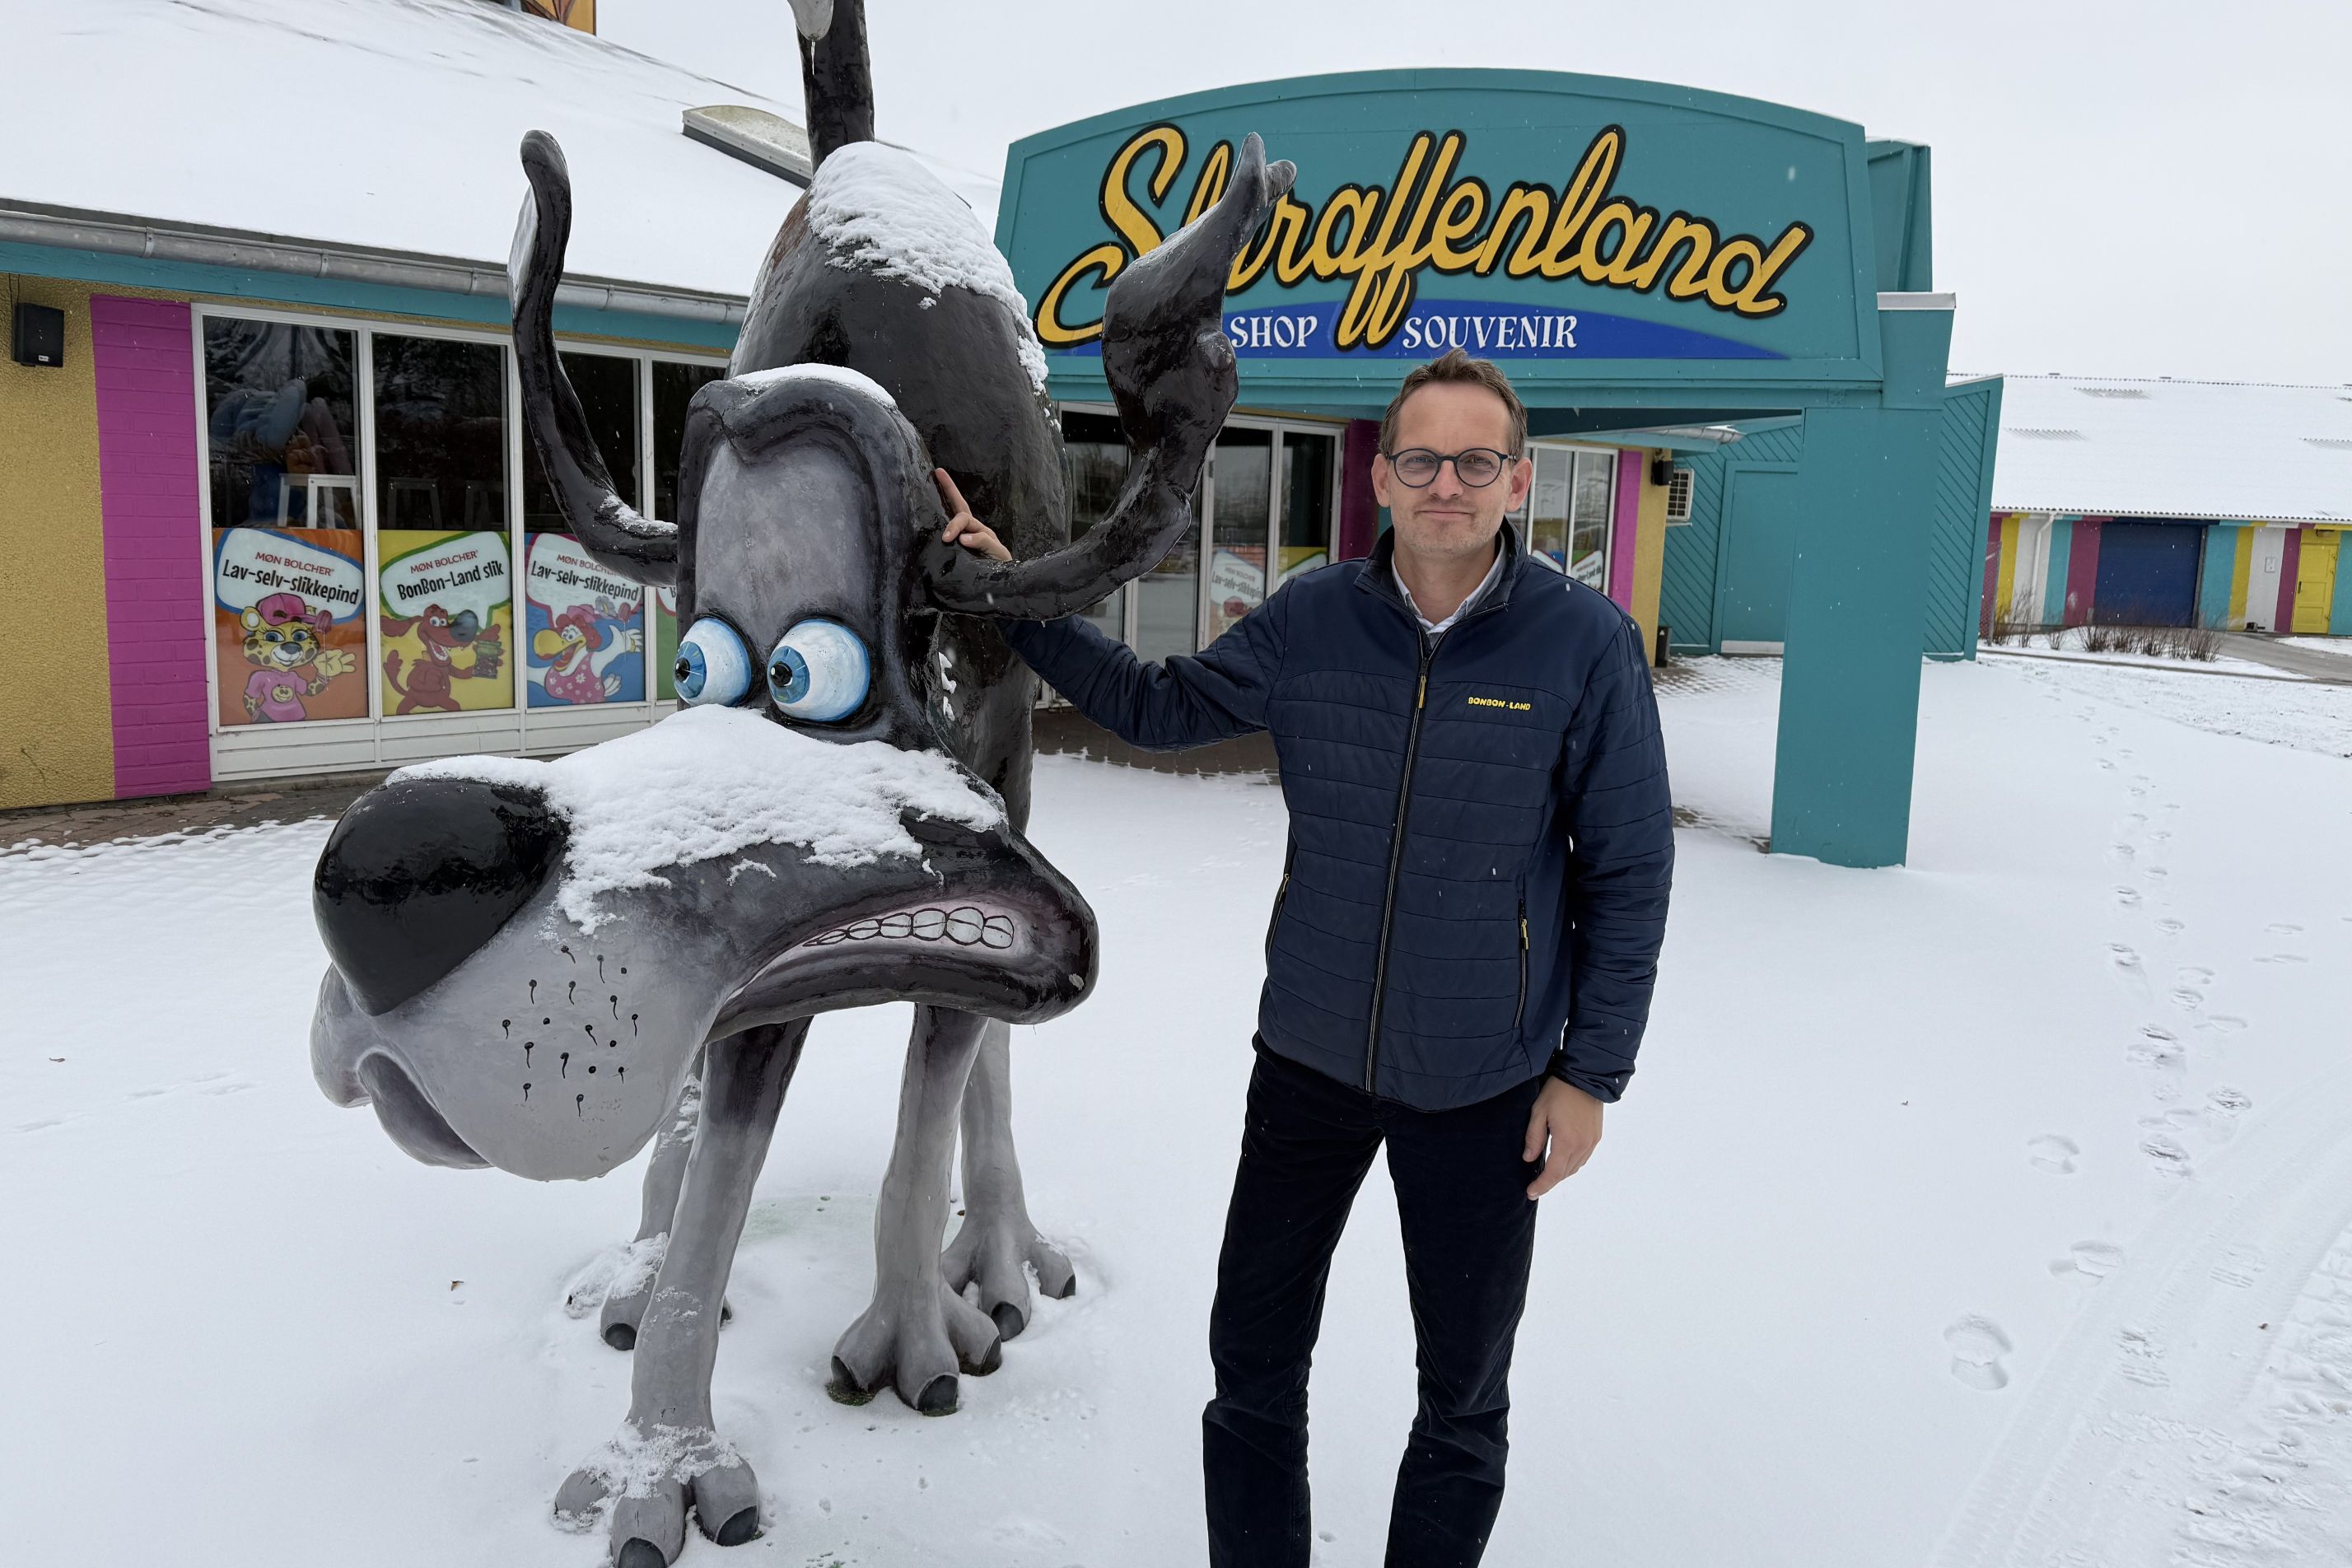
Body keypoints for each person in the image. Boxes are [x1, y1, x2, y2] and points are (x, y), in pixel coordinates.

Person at [941, 348, 1674, 1567]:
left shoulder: (1583, 647)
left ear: (1517, 478)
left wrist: (1589, 1075)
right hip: (1309, 1069)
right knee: (1255, 1371)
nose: (1450, 483)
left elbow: (1628, 876)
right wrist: (1015, 592)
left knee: (1462, 1398)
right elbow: (1161, 704)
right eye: (1424, 459)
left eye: (1476, 461)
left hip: (1484, 1089)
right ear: (1382, 477)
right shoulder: (1316, 619)